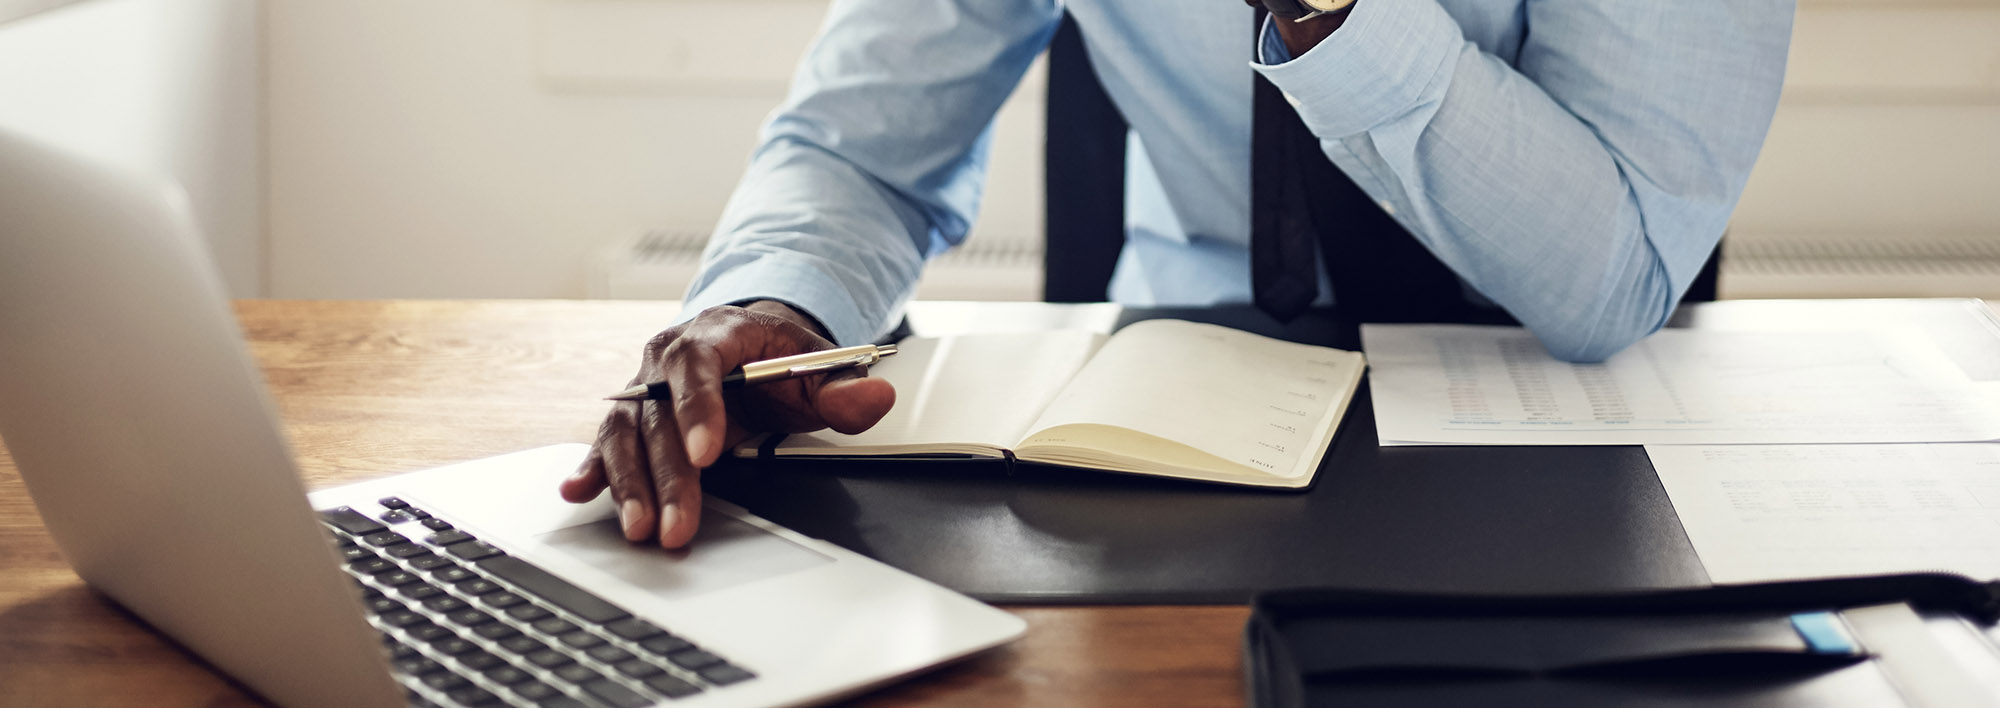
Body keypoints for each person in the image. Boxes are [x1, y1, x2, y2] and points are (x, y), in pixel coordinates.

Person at [559, 0, 1795, 547]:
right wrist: (773, 301)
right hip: (1169, 431)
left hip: (1563, 450)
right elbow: (860, 149)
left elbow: (1611, 278)